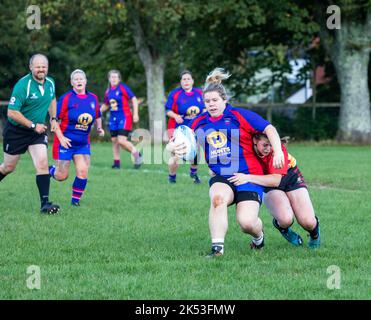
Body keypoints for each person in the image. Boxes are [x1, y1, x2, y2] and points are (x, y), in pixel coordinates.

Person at [168, 68, 285, 257]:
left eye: (215, 100)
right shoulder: (199, 121)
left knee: (246, 223)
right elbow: (176, 141)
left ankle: (258, 237)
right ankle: (217, 250)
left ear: (224, 100)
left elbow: (269, 128)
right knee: (217, 199)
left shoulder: (239, 116)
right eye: (207, 101)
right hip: (222, 176)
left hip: (249, 176)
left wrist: (278, 151)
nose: (211, 104)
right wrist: (173, 148)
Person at [228, 134, 320, 248]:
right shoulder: (247, 148)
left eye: (271, 145)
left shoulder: (278, 149)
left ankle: (314, 235)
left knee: (307, 221)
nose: (269, 148)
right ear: (255, 141)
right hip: (266, 181)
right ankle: (283, 227)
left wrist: (247, 177)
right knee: (285, 219)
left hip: (289, 177)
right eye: (265, 145)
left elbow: (276, 180)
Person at [0, 53, 60, 214]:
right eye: (38, 66)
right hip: (16, 132)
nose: (41, 69)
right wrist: (33, 125)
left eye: (44, 66)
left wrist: (54, 118)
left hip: (37, 133)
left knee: (42, 164)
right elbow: (12, 112)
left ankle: (45, 204)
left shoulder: (50, 83)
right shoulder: (23, 85)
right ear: (31, 67)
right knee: (8, 167)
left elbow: (52, 99)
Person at [49, 69, 104, 206]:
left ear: (85, 81)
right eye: (76, 79)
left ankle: (75, 202)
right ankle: (48, 170)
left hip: (82, 143)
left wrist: (99, 128)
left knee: (83, 171)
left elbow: (97, 115)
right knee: (62, 176)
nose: (79, 81)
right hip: (66, 142)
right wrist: (61, 138)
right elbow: (54, 119)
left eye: (81, 79)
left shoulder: (93, 98)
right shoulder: (66, 98)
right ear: (71, 82)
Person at [165, 70, 205, 184]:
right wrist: (176, 116)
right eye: (184, 79)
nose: (186, 81)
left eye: (188, 79)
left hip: (195, 128)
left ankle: (193, 173)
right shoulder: (175, 94)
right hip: (178, 128)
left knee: (196, 151)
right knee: (176, 153)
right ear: (181, 82)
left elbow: (205, 109)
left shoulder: (199, 93)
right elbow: (168, 110)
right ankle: (172, 177)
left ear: (192, 81)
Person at [100, 70, 142, 169]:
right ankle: (116, 163)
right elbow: (106, 104)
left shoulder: (123, 88)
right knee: (115, 141)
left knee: (122, 141)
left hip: (124, 117)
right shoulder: (108, 91)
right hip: (113, 119)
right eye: (112, 77)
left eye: (116, 77)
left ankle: (137, 155)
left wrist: (135, 114)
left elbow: (134, 99)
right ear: (109, 79)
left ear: (119, 79)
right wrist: (97, 112)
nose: (113, 79)